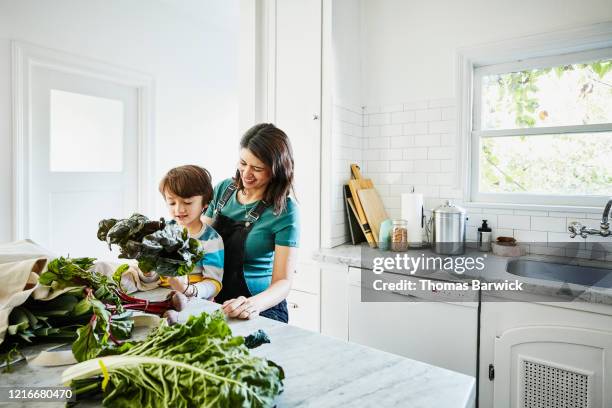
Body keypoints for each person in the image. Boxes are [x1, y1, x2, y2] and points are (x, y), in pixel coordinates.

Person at [203, 123, 299, 322]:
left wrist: (253, 304)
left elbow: (283, 282)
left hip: (261, 307)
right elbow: (200, 242)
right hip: (216, 299)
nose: (246, 173)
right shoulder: (223, 189)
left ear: (276, 170)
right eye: (243, 163)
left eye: (257, 168)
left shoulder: (285, 210)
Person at [158, 165, 224, 300]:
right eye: (171, 203)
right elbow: (155, 274)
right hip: (160, 296)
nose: (179, 209)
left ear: (205, 202)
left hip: (194, 300)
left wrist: (188, 290)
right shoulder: (163, 232)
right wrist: (147, 274)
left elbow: (214, 284)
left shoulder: (211, 240)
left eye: (187, 202)